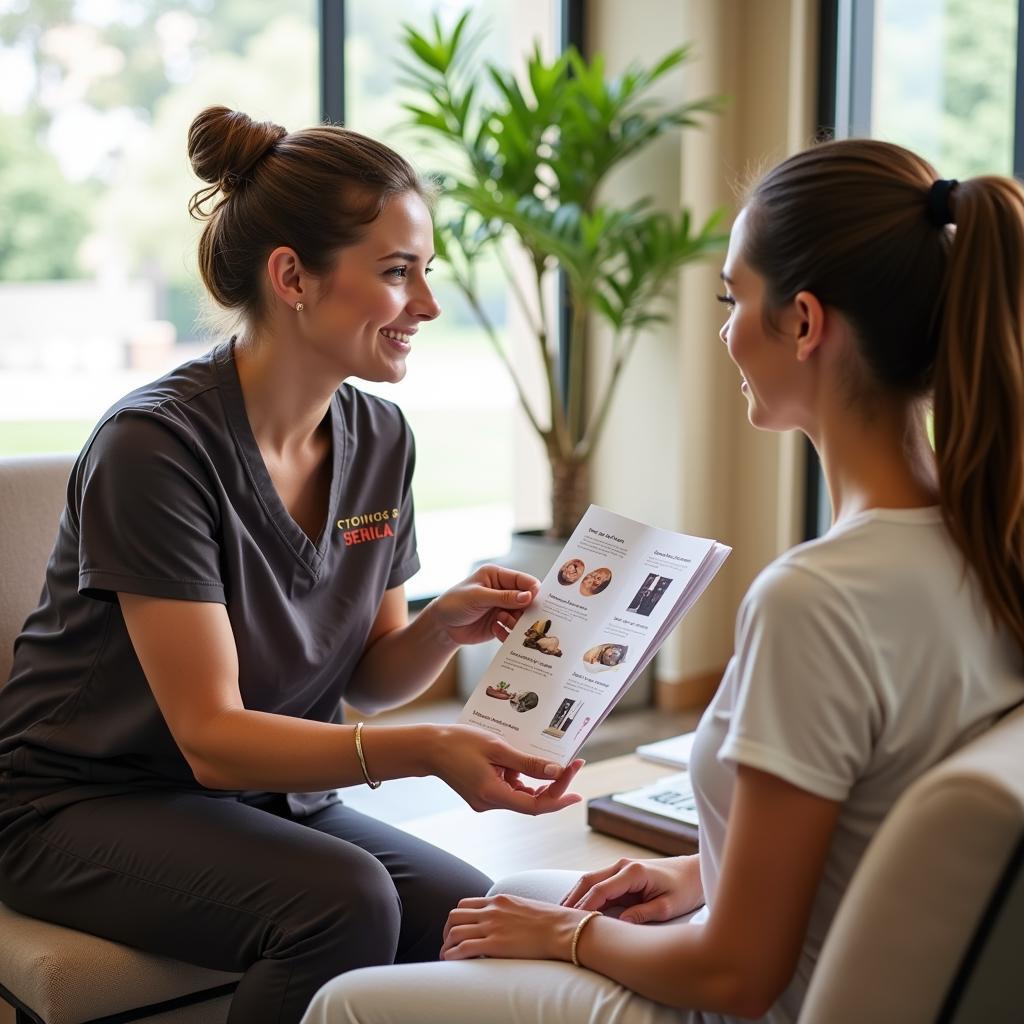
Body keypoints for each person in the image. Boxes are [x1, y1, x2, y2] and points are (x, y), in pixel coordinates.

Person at [299, 138, 1024, 1024]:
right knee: (519, 887)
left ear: (803, 322)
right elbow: (873, 820)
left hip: (753, 1003)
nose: (725, 330)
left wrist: (563, 941)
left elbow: (735, 975)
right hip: (849, 964)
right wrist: (693, 872)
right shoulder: (990, 543)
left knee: (348, 1004)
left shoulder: (819, 599)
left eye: (734, 298)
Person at [0, 106, 584, 1024]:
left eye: (424, 271)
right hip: (82, 807)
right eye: (398, 273)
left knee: (470, 922)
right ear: (292, 277)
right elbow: (213, 737)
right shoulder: (154, 448)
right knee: (343, 902)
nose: (427, 305)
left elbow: (372, 680)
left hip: (268, 798)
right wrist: (430, 751)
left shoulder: (381, 438)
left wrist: (441, 624)